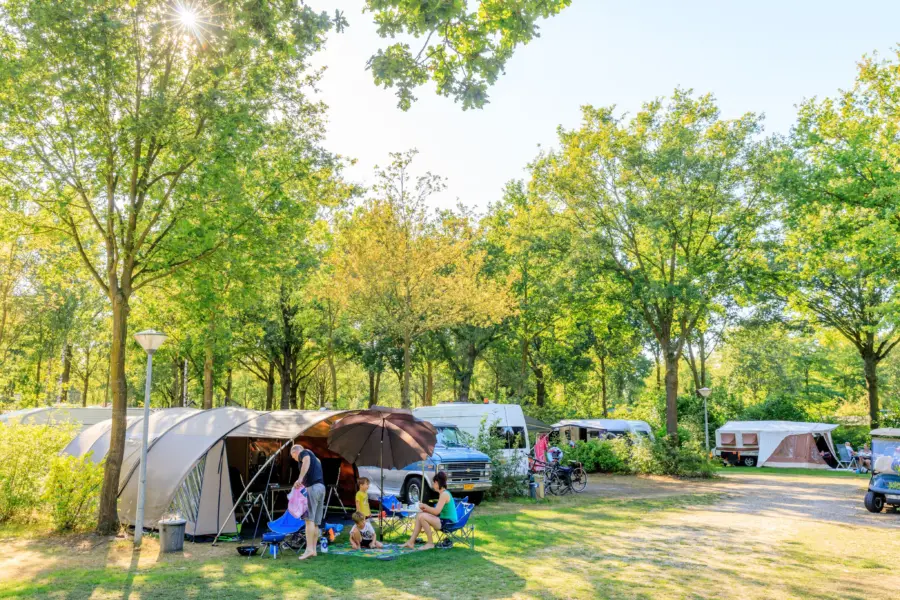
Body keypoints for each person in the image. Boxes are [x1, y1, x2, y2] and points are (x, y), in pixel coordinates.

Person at [402, 471, 456, 551]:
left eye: (434, 483)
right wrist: (426, 510)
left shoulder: (444, 494)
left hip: (448, 523)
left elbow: (436, 512)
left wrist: (426, 506)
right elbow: (438, 512)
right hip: (444, 520)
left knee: (422, 517)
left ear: (437, 483)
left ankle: (430, 543)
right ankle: (411, 542)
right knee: (420, 514)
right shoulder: (443, 493)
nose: (433, 485)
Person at [290, 443, 325, 561]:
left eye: (293, 457)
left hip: (312, 489)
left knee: (309, 520)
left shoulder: (304, 453)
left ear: (295, 452)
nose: (295, 459)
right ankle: (314, 550)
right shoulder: (316, 458)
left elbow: (306, 461)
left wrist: (300, 479)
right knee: (315, 523)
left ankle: (309, 549)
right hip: (321, 488)